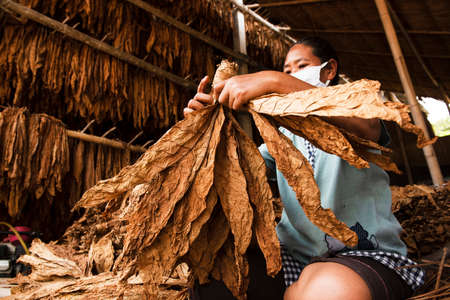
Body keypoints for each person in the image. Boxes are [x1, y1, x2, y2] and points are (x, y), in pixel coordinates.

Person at [185, 37, 424, 300]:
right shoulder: (282, 136)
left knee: (327, 291)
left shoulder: (355, 105)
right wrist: (209, 130)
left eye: (301, 66)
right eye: (287, 70)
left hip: (364, 254)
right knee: (215, 279)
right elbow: (237, 173)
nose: (292, 75)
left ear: (329, 70)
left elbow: (368, 128)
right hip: (291, 258)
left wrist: (276, 81)